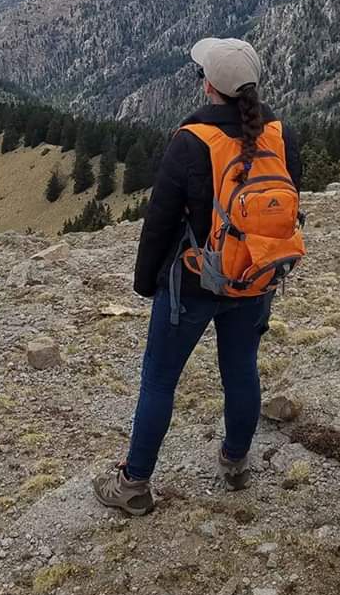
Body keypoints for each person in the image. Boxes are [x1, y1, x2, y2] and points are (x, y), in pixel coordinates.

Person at [93, 37, 302, 516]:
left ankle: (134, 484)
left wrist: (146, 283)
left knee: (160, 380)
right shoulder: (280, 136)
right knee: (241, 371)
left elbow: (161, 221)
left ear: (208, 85)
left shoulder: (192, 141)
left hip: (191, 283)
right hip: (253, 278)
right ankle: (235, 462)